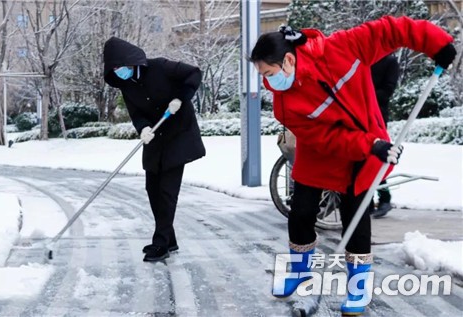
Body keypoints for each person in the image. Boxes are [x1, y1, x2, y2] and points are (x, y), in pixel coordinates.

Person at [250, 16, 456, 315]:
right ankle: (299, 271)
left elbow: (390, 29)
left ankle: (358, 284)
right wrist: (369, 145)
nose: (268, 82)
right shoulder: (285, 103)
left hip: (364, 149)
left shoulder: (342, 48)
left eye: (268, 72)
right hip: (323, 150)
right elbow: (326, 138)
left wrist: (434, 42)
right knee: (302, 211)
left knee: (356, 213)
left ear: (289, 60)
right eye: (262, 76)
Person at [103, 37, 206, 262]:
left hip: (179, 134)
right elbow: (136, 114)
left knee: (167, 191)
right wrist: (143, 128)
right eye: (115, 70)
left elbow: (194, 73)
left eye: (120, 67)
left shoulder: (160, 66)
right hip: (155, 138)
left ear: (130, 62)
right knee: (152, 189)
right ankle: (169, 238)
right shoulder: (126, 85)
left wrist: (180, 98)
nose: (119, 72)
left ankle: (161, 244)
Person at [370, 54, 400, 218]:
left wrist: (365, 96)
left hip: (377, 115)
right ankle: (368, 201)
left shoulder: (390, 61)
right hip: (361, 113)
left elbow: (388, 90)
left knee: (376, 158)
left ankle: (384, 197)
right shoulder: (366, 57)